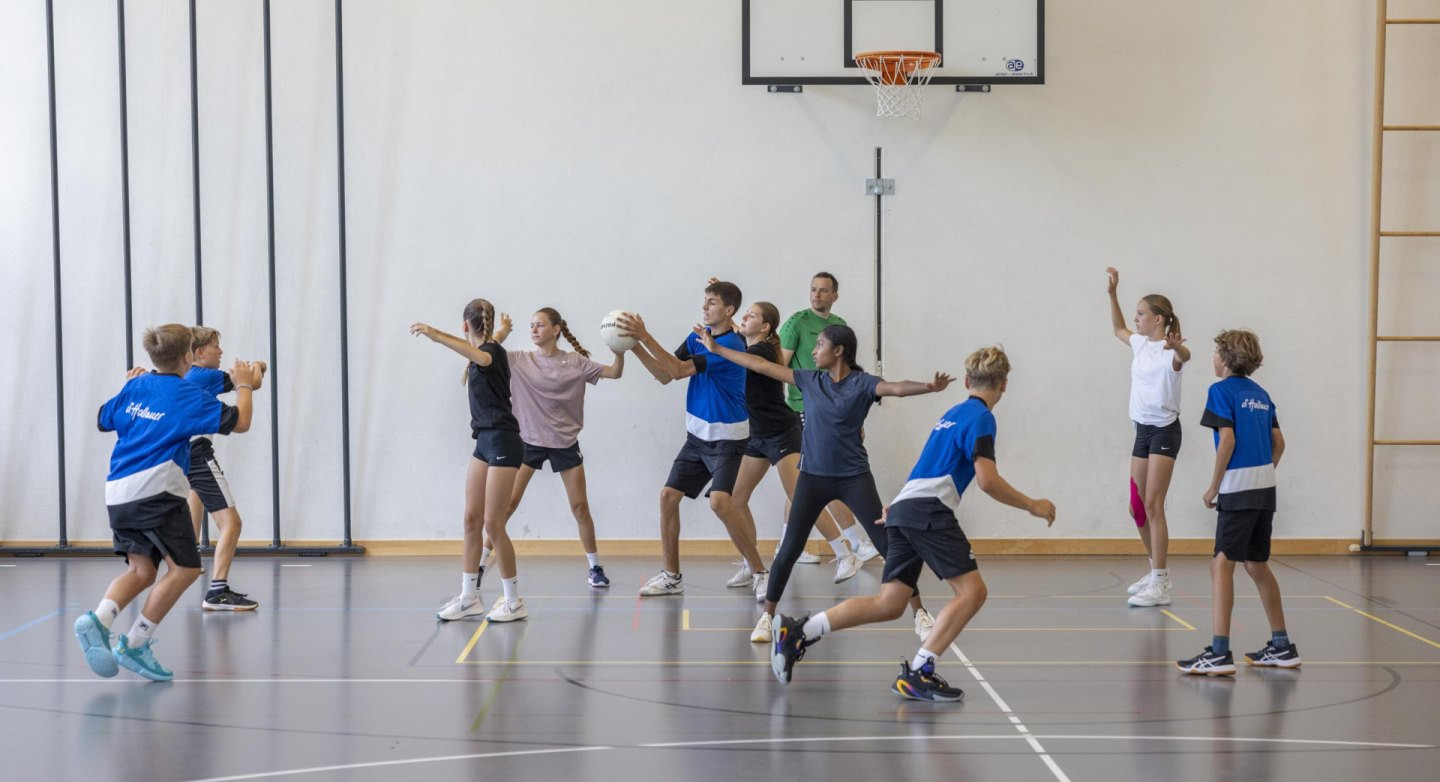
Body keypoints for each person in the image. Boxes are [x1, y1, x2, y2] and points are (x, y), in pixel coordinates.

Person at [768, 346, 1056, 701]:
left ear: (967, 381)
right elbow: (987, 480)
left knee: (890, 603)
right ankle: (920, 671)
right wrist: (1032, 504)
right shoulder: (982, 418)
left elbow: (928, 463)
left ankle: (799, 632)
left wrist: (898, 506)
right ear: (1004, 385)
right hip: (928, 511)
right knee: (972, 592)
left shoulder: (953, 412)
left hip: (906, 506)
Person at [693, 323, 944, 643]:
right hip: (812, 477)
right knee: (789, 549)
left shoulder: (863, 384)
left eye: (820, 344)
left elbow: (895, 388)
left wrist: (928, 386)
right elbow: (759, 364)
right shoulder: (810, 380)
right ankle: (767, 617)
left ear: (838, 351)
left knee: (886, 543)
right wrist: (717, 350)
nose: (813, 350)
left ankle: (919, 612)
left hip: (854, 478)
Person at [74, 324, 258, 681]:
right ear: (189, 356)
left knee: (141, 571)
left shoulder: (136, 386)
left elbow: (103, 418)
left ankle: (100, 619)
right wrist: (244, 385)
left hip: (118, 493)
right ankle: (135, 644)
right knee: (186, 569)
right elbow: (242, 422)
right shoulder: (186, 395)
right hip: (155, 492)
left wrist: (128, 387)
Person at [618, 281, 769, 599]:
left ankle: (760, 571)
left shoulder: (730, 347)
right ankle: (671, 576)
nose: (705, 307)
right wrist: (632, 346)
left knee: (720, 502)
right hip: (697, 437)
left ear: (729, 311)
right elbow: (663, 374)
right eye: (705, 301)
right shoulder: (697, 338)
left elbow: (676, 370)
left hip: (728, 439)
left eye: (712, 302)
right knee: (667, 497)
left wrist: (645, 336)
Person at [1178, 330, 1298, 675]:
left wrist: (1214, 487)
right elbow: (1279, 443)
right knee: (1256, 564)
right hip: (1265, 489)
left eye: (1216, 352)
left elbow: (1226, 439)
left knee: (1221, 564)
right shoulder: (1261, 394)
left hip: (1238, 487)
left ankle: (1218, 652)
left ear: (1227, 358)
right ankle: (1281, 646)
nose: (1213, 359)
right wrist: (1262, 474)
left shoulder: (1219, 391)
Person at [729, 301, 862, 587]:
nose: (744, 317)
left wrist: (715, 345)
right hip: (758, 435)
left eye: (751, 315)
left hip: (781, 433)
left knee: (803, 499)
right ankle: (751, 563)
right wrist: (726, 315)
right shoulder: (747, 344)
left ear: (765, 327)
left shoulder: (762, 350)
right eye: (744, 313)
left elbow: (738, 354)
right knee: (735, 499)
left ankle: (844, 553)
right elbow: (735, 334)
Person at [411, 300, 528, 623]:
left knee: (494, 524)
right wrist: (504, 330)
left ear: (465, 326)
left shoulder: (488, 354)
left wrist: (435, 334)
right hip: (484, 443)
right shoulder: (492, 346)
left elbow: (482, 353)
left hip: (504, 441)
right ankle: (468, 597)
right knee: (471, 520)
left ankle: (514, 601)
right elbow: (489, 344)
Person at [503, 308, 624, 588]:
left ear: (556, 330)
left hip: (565, 444)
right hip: (528, 443)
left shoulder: (576, 362)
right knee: (507, 504)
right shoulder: (519, 360)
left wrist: (619, 347)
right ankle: (482, 563)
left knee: (580, 507)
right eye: (531, 325)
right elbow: (486, 356)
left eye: (540, 325)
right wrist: (498, 333)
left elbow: (615, 373)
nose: (534, 330)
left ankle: (594, 567)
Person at [778, 272, 880, 564]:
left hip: (838, 413)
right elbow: (778, 368)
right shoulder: (797, 323)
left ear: (835, 295)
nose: (817, 295)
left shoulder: (840, 327)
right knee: (822, 473)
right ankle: (855, 541)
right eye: (813, 290)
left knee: (801, 481)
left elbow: (847, 377)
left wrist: (856, 420)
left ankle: (786, 546)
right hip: (804, 409)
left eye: (823, 291)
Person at [1106, 267, 1189, 607]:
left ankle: (1162, 581)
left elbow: (1185, 358)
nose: (1136, 319)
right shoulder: (1140, 344)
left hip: (1165, 431)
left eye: (1141, 314)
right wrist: (1112, 293)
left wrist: (1178, 349)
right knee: (1137, 506)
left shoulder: (1172, 351)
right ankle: (1154, 569)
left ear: (1158, 319)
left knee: (1154, 504)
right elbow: (1117, 329)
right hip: (1141, 431)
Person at [184, 326, 267, 610]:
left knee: (195, 493)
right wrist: (259, 366)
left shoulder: (183, 376)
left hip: (179, 452)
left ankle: (189, 555)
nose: (220, 352)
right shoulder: (204, 375)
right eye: (216, 346)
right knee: (231, 523)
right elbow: (251, 382)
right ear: (199, 352)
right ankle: (218, 591)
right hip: (197, 452)